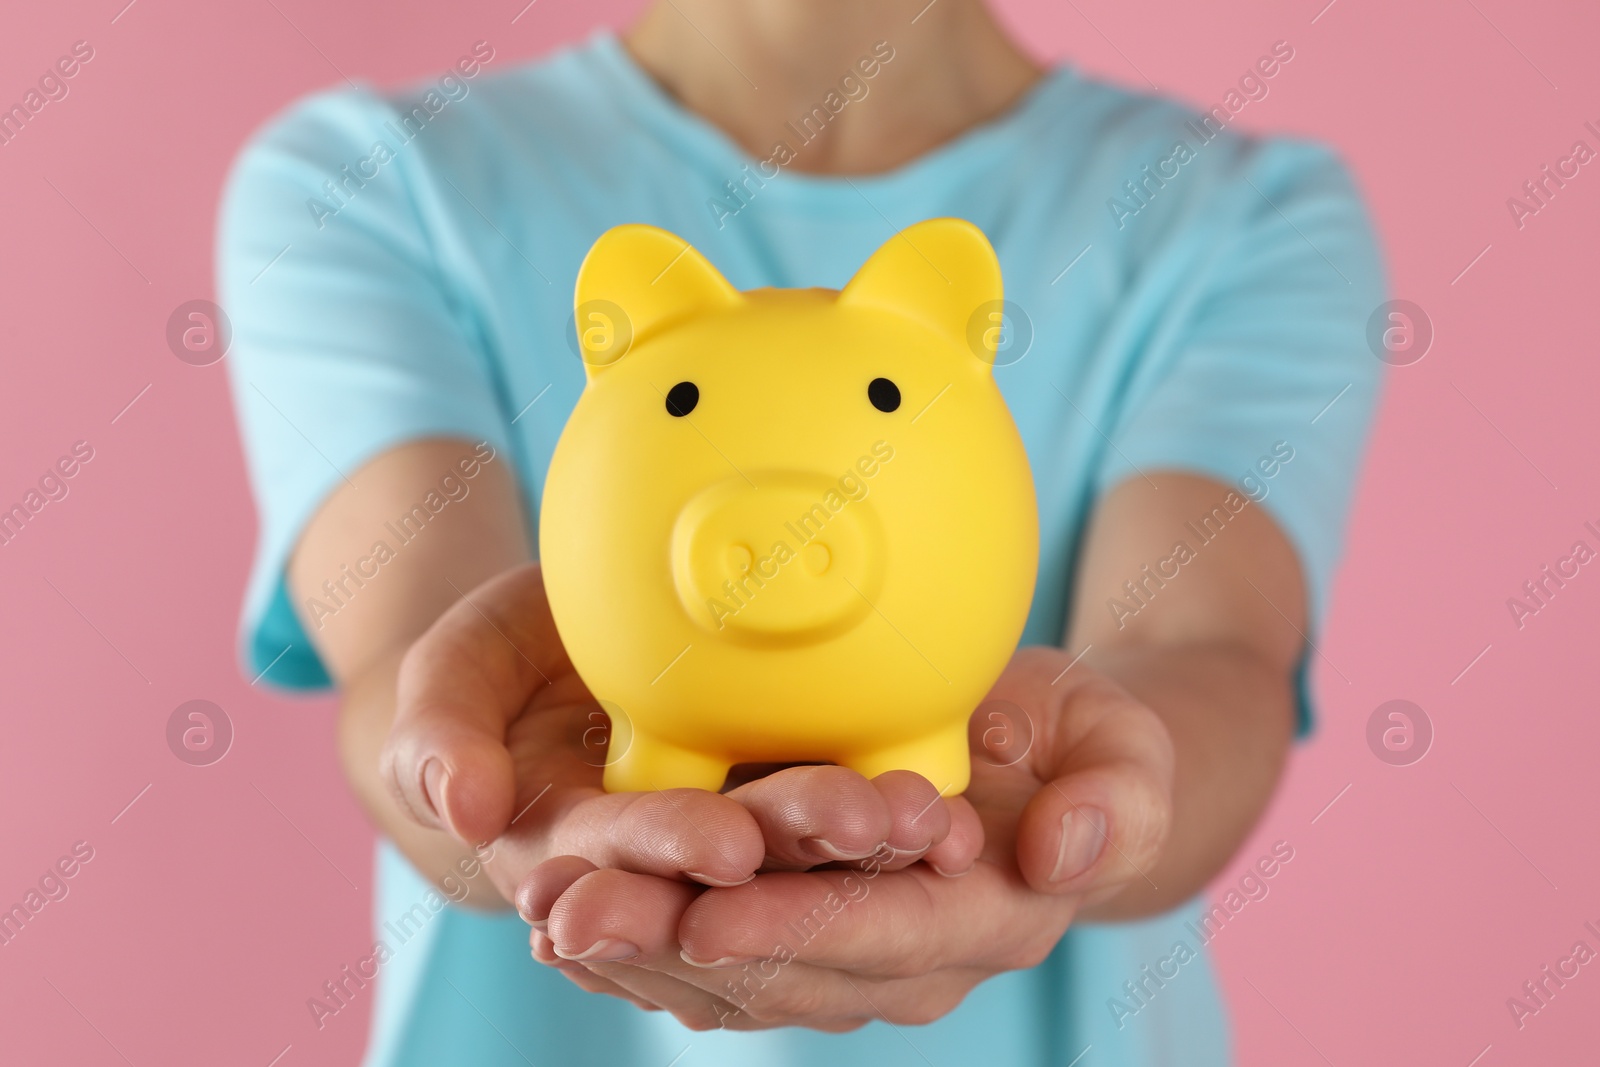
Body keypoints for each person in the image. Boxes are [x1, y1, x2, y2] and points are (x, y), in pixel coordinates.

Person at [219, 1, 1383, 1063]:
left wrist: (1106, 779)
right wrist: (478, 767)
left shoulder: (1238, 218)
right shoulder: (371, 183)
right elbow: (413, 643)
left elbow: (1203, 645)